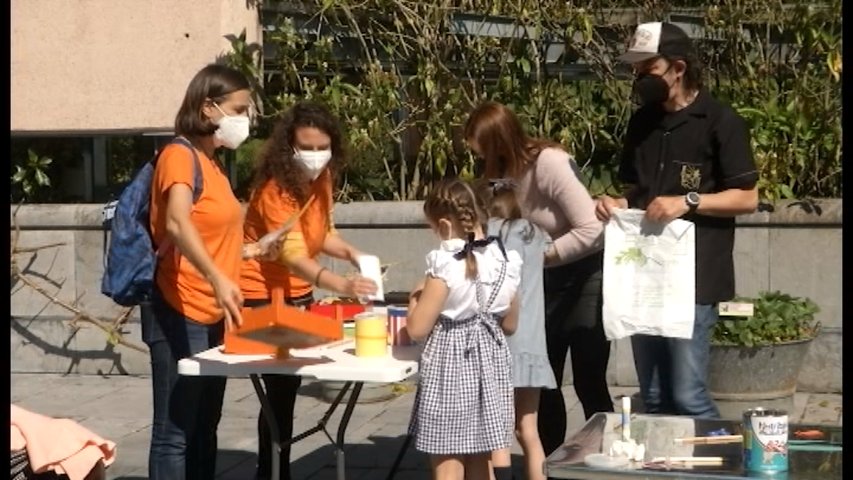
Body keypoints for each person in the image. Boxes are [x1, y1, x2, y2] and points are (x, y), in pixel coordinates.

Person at [595, 22, 759, 418]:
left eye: (647, 67)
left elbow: (748, 198)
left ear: (678, 67)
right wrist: (616, 201)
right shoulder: (642, 123)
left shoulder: (721, 121)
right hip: (646, 275)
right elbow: (636, 188)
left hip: (694, 279)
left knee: (688, 395)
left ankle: (720, 468)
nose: (638, 77)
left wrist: (688, 201)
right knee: (652, 396)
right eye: (634, 68)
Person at [464, 101, 615, 460]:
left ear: (501, 140)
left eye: (483, 149)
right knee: (545, 382)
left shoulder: (549, 163)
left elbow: (593, 228)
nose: (480, 158)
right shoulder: (497, 175)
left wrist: (539, 254)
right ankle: (551, 463)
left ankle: (610, 458)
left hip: (582, 275)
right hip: (536, 283)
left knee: (588, 379)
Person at [239, 101, 378, 480]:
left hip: (300, 294)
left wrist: (351, 252)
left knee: (287, 388)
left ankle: (276, 466)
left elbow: (323, 233)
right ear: (289, 147)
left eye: (323, 148)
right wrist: (343, 284)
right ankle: (272, 470)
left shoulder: (323, 179)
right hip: (262, 294)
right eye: (308, 148)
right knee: (279, 394)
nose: (316, 157)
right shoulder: (274, 191)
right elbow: (294, 254)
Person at [145, 63, 252, 479]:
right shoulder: (178, 155)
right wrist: (218, 278)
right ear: (208, 108)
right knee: (175, 431)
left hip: (213, 313)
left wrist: (255, 250)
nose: (244, 120)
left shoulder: (214, 166)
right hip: (180, 305)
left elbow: (212, 235)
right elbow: (176, 222)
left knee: (206, 426)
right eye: (238, 109)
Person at [406, 178, 522, 480]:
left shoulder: (445, 265)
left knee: (448, 459)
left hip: (451, 366)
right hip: (491, 366)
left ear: (443, 225)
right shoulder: (505, 261)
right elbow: (510, 324)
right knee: (481, 457)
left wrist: (414, 300)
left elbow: (418, 329)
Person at [475, 178, 557, 480]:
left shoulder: (485, 234)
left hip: (499, 343)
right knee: (529, 431)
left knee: (494, 434)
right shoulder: (536, 233)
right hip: (533, 344)